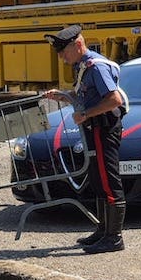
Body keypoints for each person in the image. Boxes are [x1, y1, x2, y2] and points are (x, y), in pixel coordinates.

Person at [44, 25, 127, 254]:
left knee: (108, 180)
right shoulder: (82, 66)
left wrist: (85, 115)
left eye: (63, 52)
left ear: (78, 45)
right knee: (98, 179)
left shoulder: (95, 67)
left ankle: (114, 238)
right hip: (94, 128)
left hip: (104, 128)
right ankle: (103, 230)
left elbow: (114, 100)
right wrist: (64, 96)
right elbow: (86, 98)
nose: (61, 58)